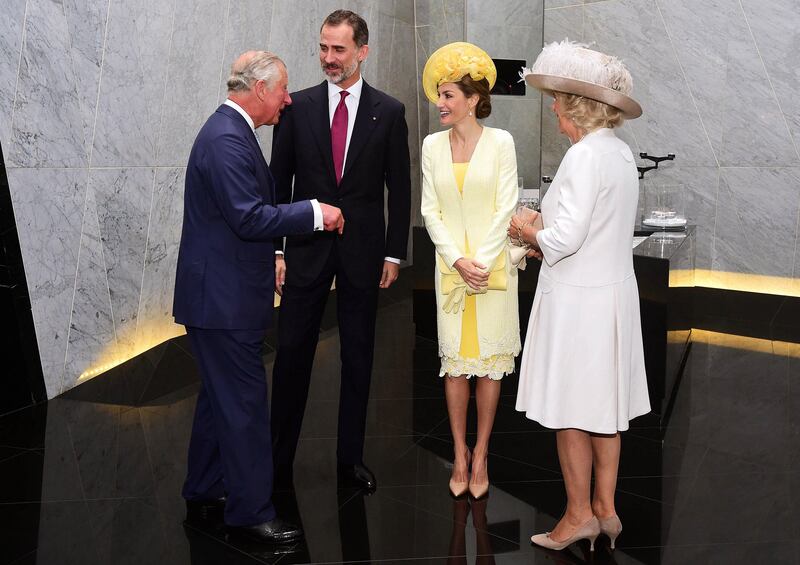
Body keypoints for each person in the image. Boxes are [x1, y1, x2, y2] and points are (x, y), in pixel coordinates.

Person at [173, 50, 344, 544]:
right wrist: (314, 212)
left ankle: (204, 486)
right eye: (284, 90)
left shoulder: (231, 132)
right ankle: (249, 511)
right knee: (245, 405)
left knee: (218, 400)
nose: (288, 99)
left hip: (222, 299)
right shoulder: (226, 139)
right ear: (261, 90)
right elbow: (248, 216)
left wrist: (273, 253)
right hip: (222, 304)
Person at [512, 40, 650, 551]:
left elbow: (564, 239)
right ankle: (606, 511)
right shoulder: (618, 152)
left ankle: (575, 517)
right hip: (611, 298)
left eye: (557, 99)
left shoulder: (581, 156)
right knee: (604, 410)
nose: (552, 108)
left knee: (573, 411)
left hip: (578, 304)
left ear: (577, 105)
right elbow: (591, 227)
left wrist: (523, 231)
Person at [269, 10, 411, 492]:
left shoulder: (389, 112)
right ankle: (276, 460)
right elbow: (278, 184)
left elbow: (400, 187)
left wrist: (394, 254)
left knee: (359, 356)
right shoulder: (297, 107)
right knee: (291, 355)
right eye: (324, 48)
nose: (329, 58)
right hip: (305, 250)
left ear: (362, 52)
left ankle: (349, 460)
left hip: (363, 254)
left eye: (339, 50)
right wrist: (277, 252)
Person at [420, 42, 520, 499]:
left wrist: (479, 261)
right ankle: (458, 452)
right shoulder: (431, 146)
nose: (439, 104)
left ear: (473, 99)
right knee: (456, 368)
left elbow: (506, 207)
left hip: (492, 271)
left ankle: (482, 454)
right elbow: (430, 211)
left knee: (489, 369)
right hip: (452, 271)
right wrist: (457, 260)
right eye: (438, 95)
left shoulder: (501, 143)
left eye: (447, 96)